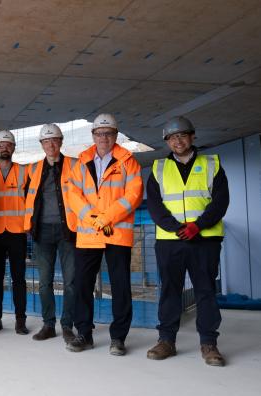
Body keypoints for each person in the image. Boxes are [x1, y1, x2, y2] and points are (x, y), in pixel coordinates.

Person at [146, 116, 229, 366]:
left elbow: (220, 202)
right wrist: (177, 228)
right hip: (170, 241)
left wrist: (198, 226)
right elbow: (154, 205)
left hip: (205, 239)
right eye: (172, 137)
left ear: (192, 136)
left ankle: (209, 343)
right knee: (170, 290)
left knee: (205, 291)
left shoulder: (212, 164)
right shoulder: (158, 168)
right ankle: (166, 341)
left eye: (182, 135)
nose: (177, 140)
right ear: (167, 142)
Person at [66, 113, 143, 355]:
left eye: (108, 133)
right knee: (82, 285)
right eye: (99, 133)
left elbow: (133, 196)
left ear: (116, 135)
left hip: (116, 234)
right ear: (93, 136)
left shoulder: (128, 162)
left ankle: (118, 338)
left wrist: (105, 219)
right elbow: (73, 195)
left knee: (120, 287)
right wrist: (94, 219)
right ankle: (84, 334)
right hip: (88, 234)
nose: (104, 138)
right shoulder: (81, 162)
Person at [24, 124, 78, 343]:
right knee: (44, 282)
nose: (51, 144)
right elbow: (27, 199)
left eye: (54, 140)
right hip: (42, 232)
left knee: (71, 282)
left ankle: (67, 325)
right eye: (46, 141)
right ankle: (49, 324)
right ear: (42, 145)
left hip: (69, 231)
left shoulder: (75, 165)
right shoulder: (34, 169)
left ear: (61, 141)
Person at [0, 130, 29, 335]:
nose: (4, 147)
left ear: (13, 148)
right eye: (0, 144)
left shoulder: (24, 172)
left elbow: (32, 201)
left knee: (19, 278)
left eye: (8, 144)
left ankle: (21, 319)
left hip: (17, 231)